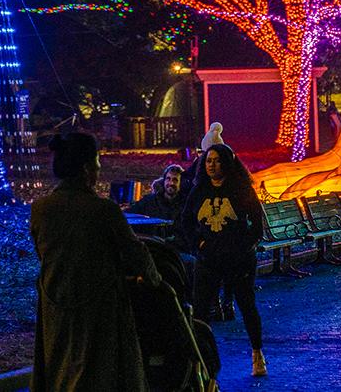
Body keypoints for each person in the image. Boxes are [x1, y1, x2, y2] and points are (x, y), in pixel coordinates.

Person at [30, 134, 163, 391]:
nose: (100, 169)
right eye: (97, 162)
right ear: (86, 169)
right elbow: (137, 254)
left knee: (59, 370)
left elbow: (43, 253)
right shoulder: (103, 211)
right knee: (97, 373)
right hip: (98, 309)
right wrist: (155, 281)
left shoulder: (41, 209)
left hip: (55, 306)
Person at [181, 142, 267, 376]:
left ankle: (257, 352)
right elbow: (186, 221)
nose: (211, 165)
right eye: (208, 161)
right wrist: (198, 244)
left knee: (246, 306)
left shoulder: (241, 190)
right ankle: (200, 361)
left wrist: (242, 247)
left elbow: (257, 225)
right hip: (208, 260)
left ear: (226, 163)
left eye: (217, 160)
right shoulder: (199, 191)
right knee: (200, 310)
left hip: (238, 260)